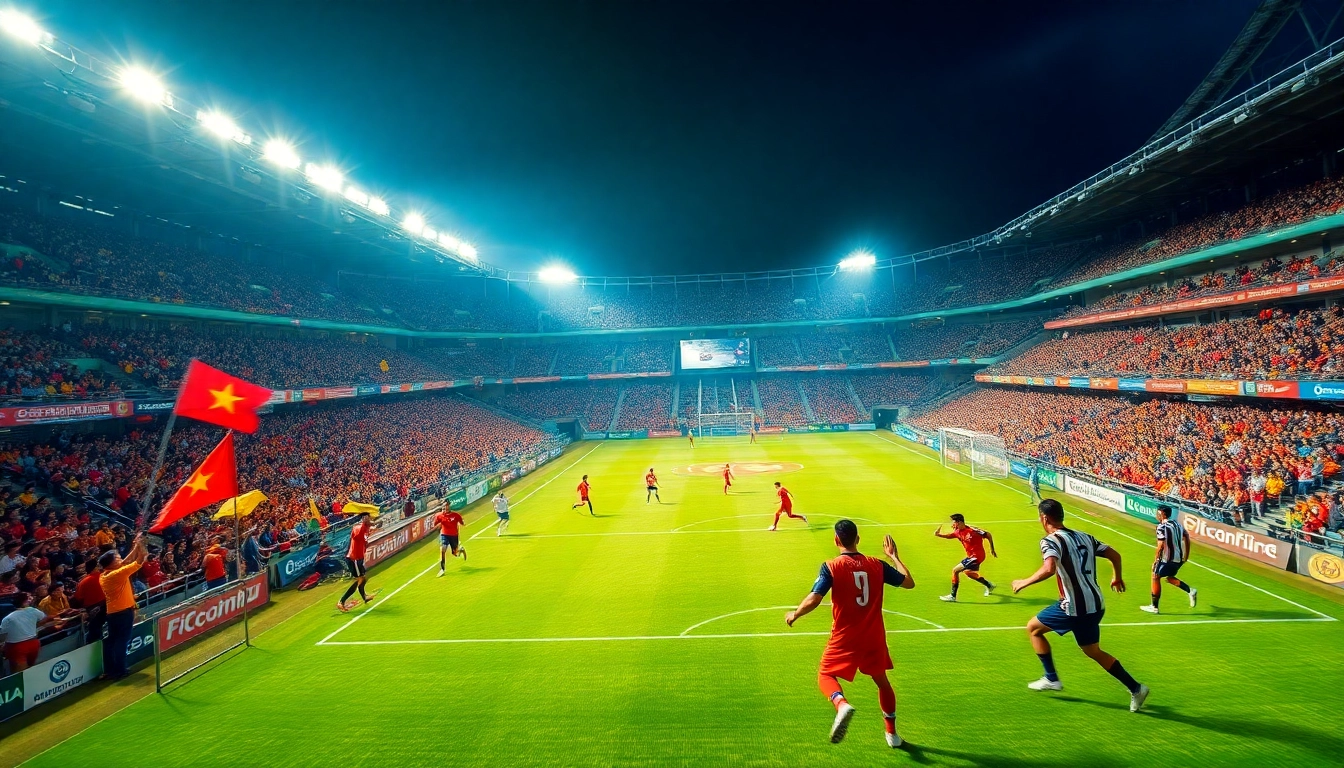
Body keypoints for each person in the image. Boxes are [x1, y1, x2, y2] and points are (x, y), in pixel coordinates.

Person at [785, 520, 915, 747]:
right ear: (858, 539)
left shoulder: (831, 566)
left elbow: (815, 599)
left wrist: (794, 615)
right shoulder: (877, 564)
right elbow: (909, 583)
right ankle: (892, 735)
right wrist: (893, 556)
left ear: (836, 540)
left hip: (845, 636)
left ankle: (841, 703)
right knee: (882, 683)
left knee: (825, 675)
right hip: (873, 637)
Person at [1011, 499, 1148, 712]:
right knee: (1093, 651)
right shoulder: (1085, 537)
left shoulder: (1051, 540)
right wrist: (1116, 577)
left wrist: (1023, 582)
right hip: (1095, 604)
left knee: (1033, 629)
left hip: (1073, 606)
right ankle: (1136, 688)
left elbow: (1049, 568)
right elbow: (1114, 554)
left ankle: (1051, 678)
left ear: (1044, 518)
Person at [99, 532, 148, 681]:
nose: (120, 559)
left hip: (114, 613)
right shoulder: (116, 575)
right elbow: (141, 559)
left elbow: (127, 561)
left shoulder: (106, 574)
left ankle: (110, 670)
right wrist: (140, 546)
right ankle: (120, 670)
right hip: (123, 613)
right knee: (121, 642)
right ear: (112, 563)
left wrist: (135, 544)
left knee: (112, 642)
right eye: (118, 558)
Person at [1141, 505, 1197, 614]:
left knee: (1155, 576)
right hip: (1178, 559)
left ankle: (1154, 607)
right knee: (1169, 578)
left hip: (1167, 559)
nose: (1156, 515)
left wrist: (1155, 560)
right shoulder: (1177, 524)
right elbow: (1187, 537)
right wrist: (1186, 556)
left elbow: (1161, 545)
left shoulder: (1161, 527)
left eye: (1158, 513)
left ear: (1162, 514)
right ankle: (1190, 591)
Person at [933, 514, 996, 602]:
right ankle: (989, 585)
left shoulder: (973, 531)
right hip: (971, 557)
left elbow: (988, 535)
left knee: (955, 570)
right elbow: (949, 536)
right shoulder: (957, 531)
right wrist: (938, 534)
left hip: (977, 556)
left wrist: (992, 548)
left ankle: (952, 596)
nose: (953, 524)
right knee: (968, 573)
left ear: (959, 522)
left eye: (954, 522)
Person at [2, 592, 68, 672]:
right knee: (28, 670)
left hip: (19, 646)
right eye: (29, 597)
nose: (32, 598)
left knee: (21, 673)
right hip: (31, 644)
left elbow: (2, 636)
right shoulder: (32, 611)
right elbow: (44, 620)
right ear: (25, 601)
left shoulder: (9, 618)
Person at [337, 512, 377, 612]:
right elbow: (357, 535)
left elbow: (364, 539)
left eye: (368, 518)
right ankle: (341, 602)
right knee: (358, 580)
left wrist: (373, 526)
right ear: (363, 519)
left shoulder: (367, 529)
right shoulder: (357, 527)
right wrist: (365, 524)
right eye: (365, 518)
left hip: (359, 558)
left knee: (363, 578)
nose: (368, 520)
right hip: (353, 558)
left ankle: (364, 597)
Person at [73, 558, 105, 644]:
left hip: (92, 609)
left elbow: (78, 598)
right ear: (96, 567)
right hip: (107, 605)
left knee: (95, 631)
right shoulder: (105, 576)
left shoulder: (83, 582)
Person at [434, 507, 466, 576]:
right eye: (443, 509)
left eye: (445, 509)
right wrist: (437, 526)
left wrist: (463, 523)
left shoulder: (455, 515)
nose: (444, 510)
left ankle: (461, 550)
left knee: (455, 553)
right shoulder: (439, 516)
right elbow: (435, 524)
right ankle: (442, 569)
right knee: (442, 549)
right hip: (444, 535)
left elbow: (462, 521)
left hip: (453, 536)